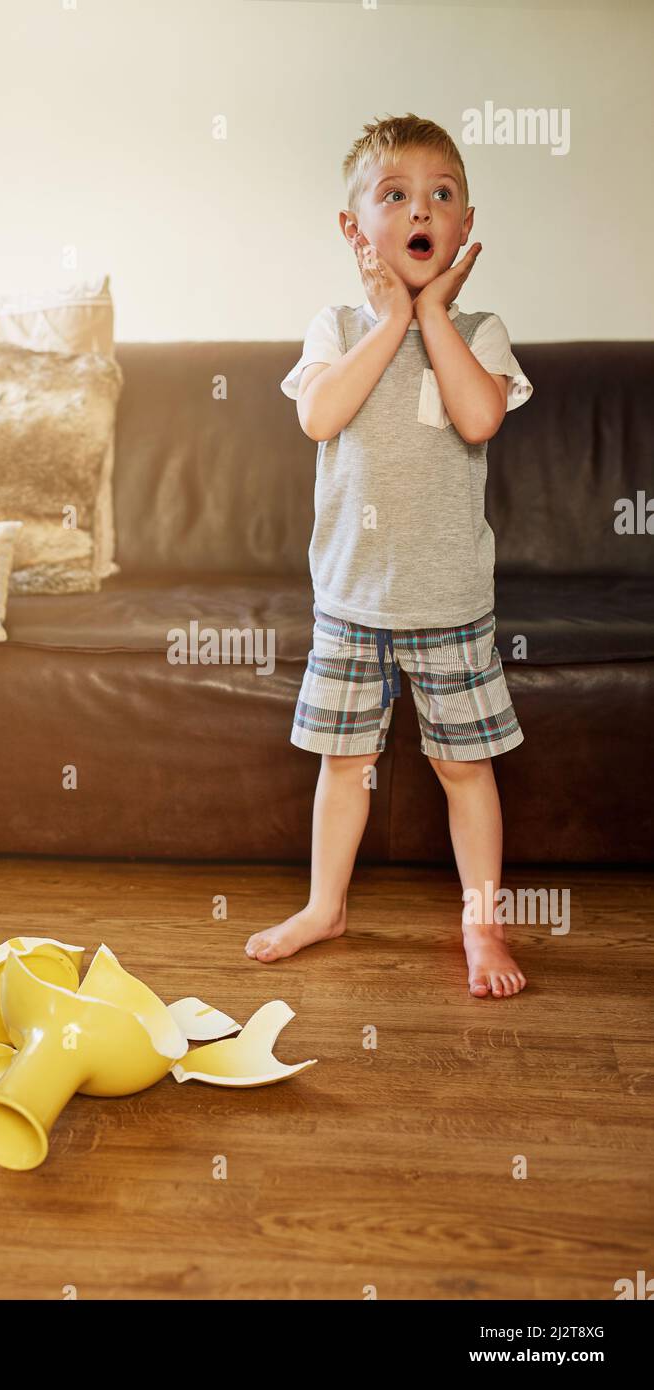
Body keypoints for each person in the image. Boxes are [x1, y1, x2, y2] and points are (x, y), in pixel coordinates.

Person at [245, 114, 533, 998]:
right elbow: (320, 415)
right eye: (396, 194)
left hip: (448, 602)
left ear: (463, 223)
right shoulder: (334, 325)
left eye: (440, 195)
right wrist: (391, 319)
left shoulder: (477, 328)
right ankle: (324, 906)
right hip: (351, 602)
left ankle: (480, 926)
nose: (421, 208)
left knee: (463, 768)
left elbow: (479, 418)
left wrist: (433, 313)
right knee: (342, 764)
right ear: (353, 228)